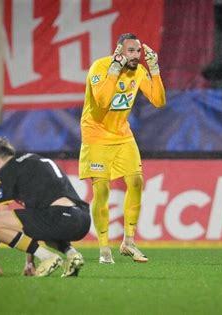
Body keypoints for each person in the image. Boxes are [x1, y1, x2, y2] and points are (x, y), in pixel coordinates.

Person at [79, 33, 166, 264]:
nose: (136, 56)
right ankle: (104, 248)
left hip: (123, 136)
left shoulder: (138, 71)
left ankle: (128, 241)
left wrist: (155, 69)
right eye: (131, 51)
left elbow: (158, 101)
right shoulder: (100, 67)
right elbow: (103, 101)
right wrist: (115, 70)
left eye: (138, 51)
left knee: (136, 181)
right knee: (102, 191)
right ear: (119, 52)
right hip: (96, 136)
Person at [0, 136, 91, 277]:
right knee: (42, 223)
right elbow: (33, 222)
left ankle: (47, 257)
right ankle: (72, 255)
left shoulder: (5, 172)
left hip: (60, 217)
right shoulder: (32, 160)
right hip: (81, 219)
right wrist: (29, 262)